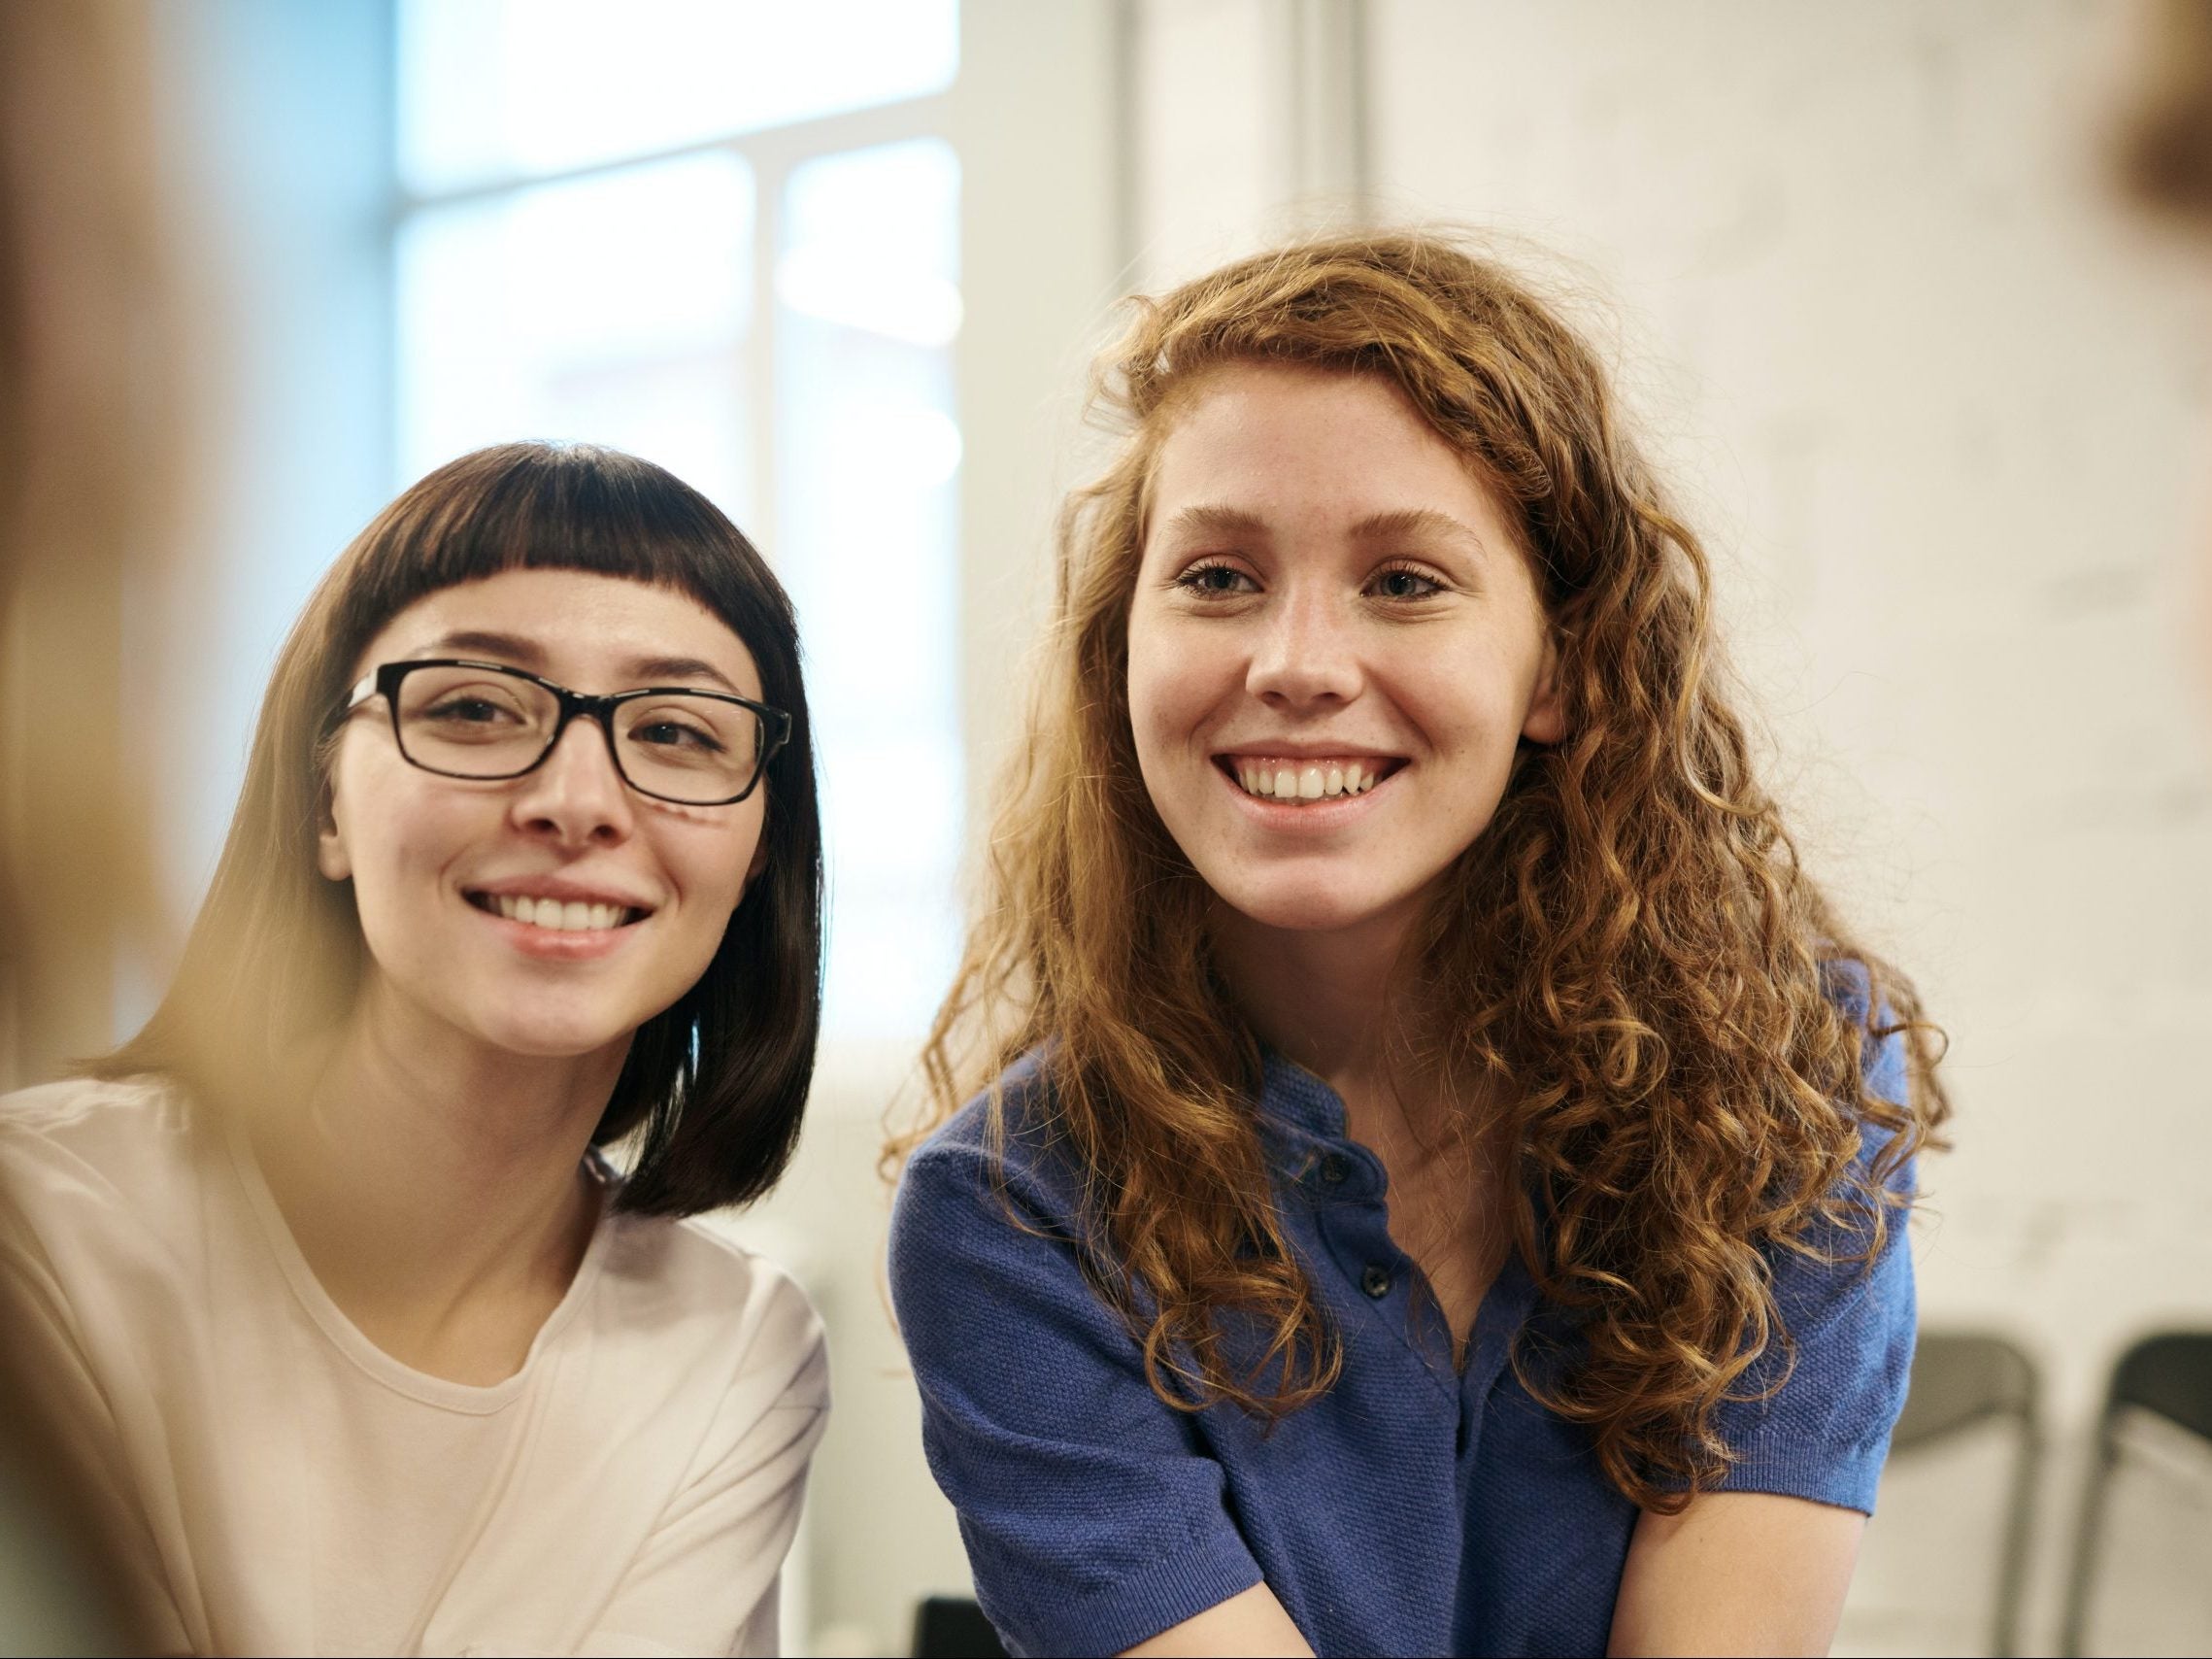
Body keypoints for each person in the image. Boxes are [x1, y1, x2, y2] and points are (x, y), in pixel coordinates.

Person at [887, 233, 1950, 1658]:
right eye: (1214, 577)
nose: (1296, 663)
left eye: (1403, 582)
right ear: (1119, 654)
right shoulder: (1013, 1215)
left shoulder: (1792, 1088)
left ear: (1562, 667)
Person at [0, 441, 829, 1655]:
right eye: (477, 709)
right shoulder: (45, 1228)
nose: (579, 799)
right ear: (327, 799)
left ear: (756, 852)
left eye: (677, 732)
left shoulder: (731, 1345)